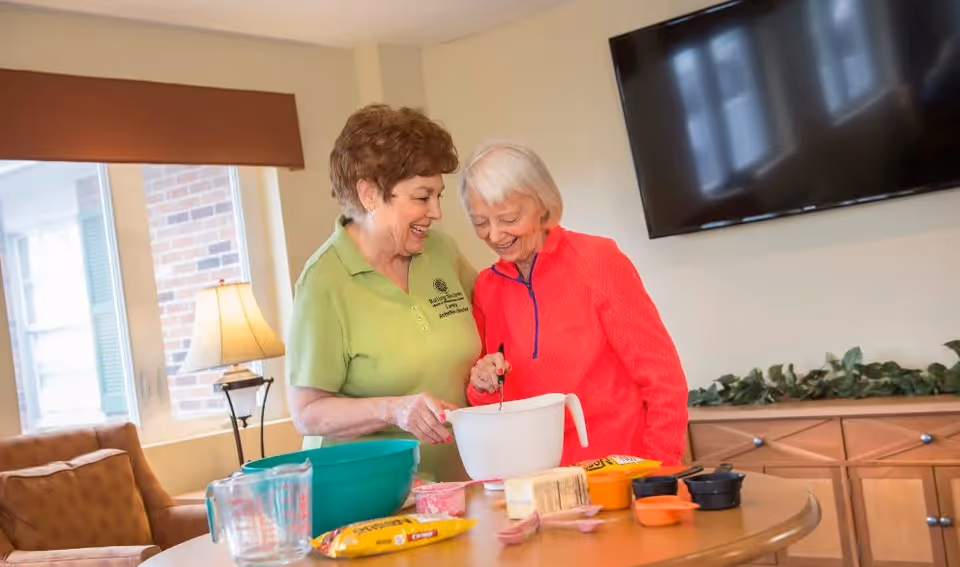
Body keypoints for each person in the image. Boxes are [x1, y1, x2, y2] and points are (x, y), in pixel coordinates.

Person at [460, 141, 689, 466]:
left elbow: (663, 378)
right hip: (536, 483)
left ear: (542, 205)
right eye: (480, 222)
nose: (495, 235)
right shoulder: (486, 287)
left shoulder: (598, 261)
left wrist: (659, 471)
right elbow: (495, 400)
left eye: (508, 218)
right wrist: (482, 384)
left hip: (618, 474)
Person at [285, 104, 481, 481]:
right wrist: (394, 410)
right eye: (422, 198)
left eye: (438, 196)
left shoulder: (441, 251)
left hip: (457, 484)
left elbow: (492, 321)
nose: (436, 212)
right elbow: (307, 412)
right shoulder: (324, 281)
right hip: (371, 495)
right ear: (369, 194)